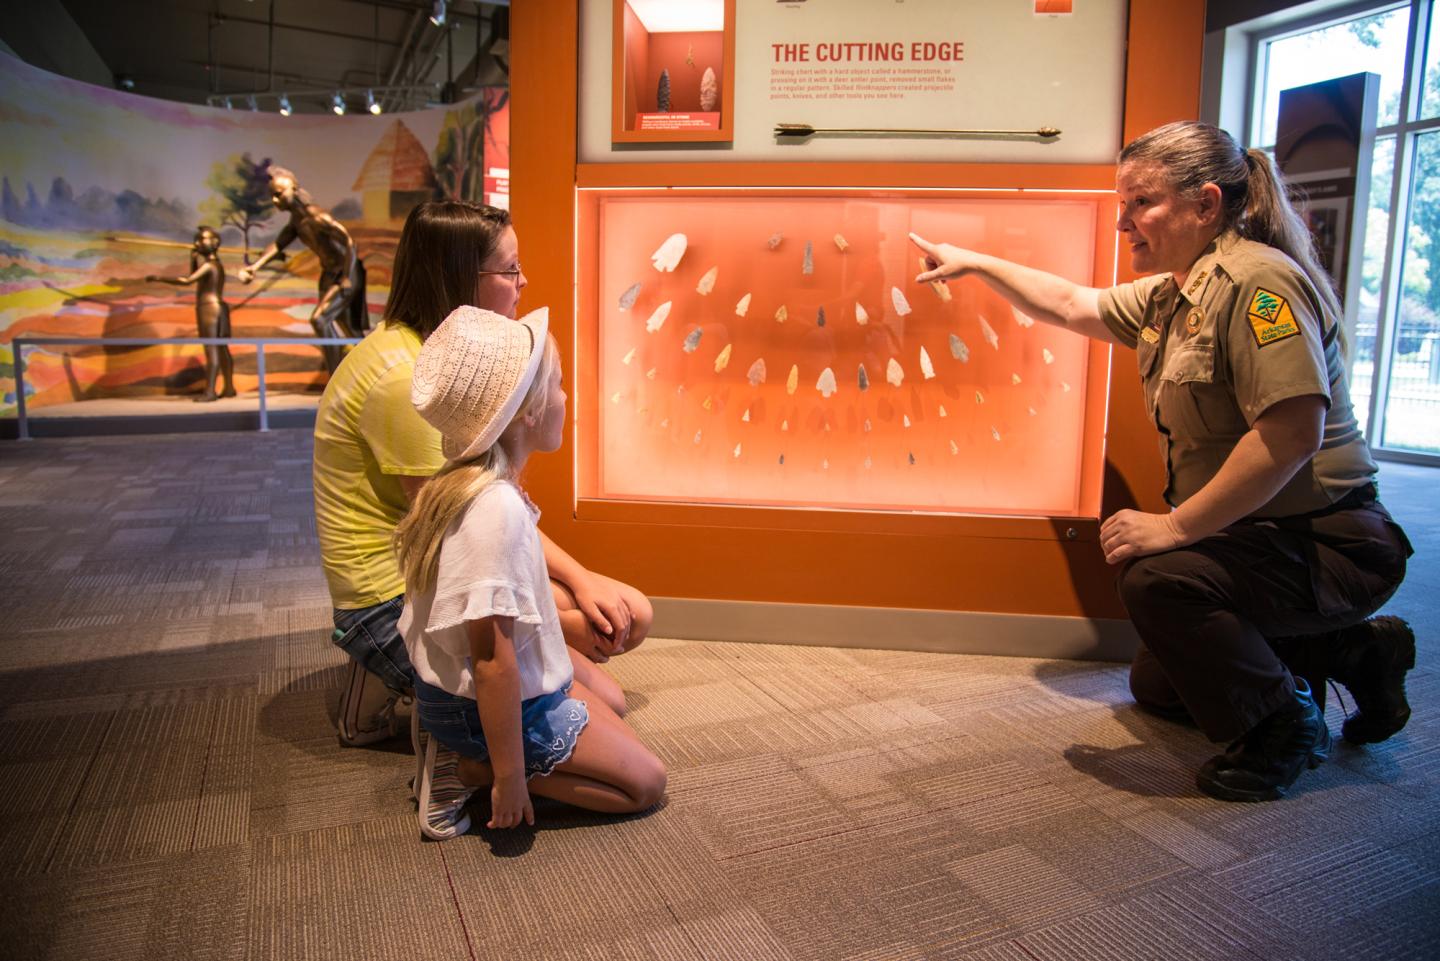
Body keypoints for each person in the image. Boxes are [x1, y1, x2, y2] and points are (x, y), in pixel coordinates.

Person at [910, 121, 1415, 803]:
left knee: (1156, 580)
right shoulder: (1172, 295)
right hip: (1262, 540)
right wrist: (973, 259)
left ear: (1205, 203)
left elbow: (1293, 434)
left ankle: (1285, 728)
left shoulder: (1259, 285)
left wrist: (1175, 529)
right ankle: (1354, 652)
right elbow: (1069, 302)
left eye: (1140, 203)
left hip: (1332, 542)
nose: (1124, 223)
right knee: (1160, 684)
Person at [312, 200, 651, 754]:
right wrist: (560, 603)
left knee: (612, 645)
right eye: (510, 270)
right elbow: (454, 527)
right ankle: (435, 718)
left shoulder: (429, 355)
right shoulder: (407, 379)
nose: (523, 282)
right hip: (394, 593)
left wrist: (580, 581)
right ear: (460, 276)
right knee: (600, 633)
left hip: (442, 562)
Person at [396, 305, 667, 839]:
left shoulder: (476, 482)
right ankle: (465, 766)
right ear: (528, 412)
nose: (568, 399)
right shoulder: (495, 512)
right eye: (560, 387)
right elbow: (492, 660)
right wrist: (508, 777)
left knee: (611, 700)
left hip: (467, 687)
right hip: (473, 703)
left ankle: (478, 746)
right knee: (643, 784)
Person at [237, 165, 369, 374]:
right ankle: (353, 375)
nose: (275, 201)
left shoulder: (316, 216)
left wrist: (346, 276)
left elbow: (349, 243)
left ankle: (338, 378)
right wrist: (255, 267)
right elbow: (279, 244)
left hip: (345, 272)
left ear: (293, 189)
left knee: (320, 319)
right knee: (348, 327)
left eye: (279, 195)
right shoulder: (297, 223)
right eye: (273, 196)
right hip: (329, 274)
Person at [147, 225, 236, 401]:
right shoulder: (215, 265)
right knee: (221, 349)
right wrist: (193, 259)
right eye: (197, 239)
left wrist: (159, 278)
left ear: (215, 242)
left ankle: (210, 392)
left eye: (202, 239)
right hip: (217, 306)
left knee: (212, 349)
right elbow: (196, 276)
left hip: (208, 308)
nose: (197, 243)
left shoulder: (210, 266)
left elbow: (187, 280)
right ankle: (229, 387)